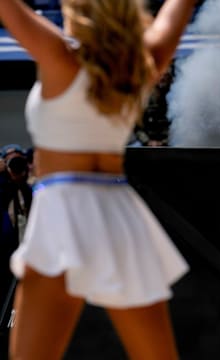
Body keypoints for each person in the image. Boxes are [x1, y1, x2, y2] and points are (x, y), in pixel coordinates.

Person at [0, 0, 197, 359]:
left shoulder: (58, 54)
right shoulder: (143, 62)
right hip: (118, 212)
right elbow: (177, 9)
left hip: (60, 210)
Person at [0, 144, 32, 358]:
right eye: (11, 161)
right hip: (3, 269)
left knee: (19, 319)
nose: (16, 165)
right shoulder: (2, 192)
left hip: (27, 270)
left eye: (19, 160)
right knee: (5, 318)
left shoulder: (31, 192)